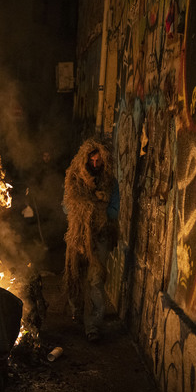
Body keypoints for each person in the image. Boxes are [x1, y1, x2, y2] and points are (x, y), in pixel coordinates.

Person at [62, 138, 118, 342]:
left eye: (99, 162)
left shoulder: (110, 182)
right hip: (77, 235)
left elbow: (114, 210)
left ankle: (93, 325)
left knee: (96, 280)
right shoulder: (74, 179)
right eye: (92, 161)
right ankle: (76, 309)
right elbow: (66, 206)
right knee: (75, 274)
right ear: (85, 160)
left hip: (100, 237)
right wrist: (88, 207)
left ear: (104, 162)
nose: (95, 165)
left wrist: (101, 213)